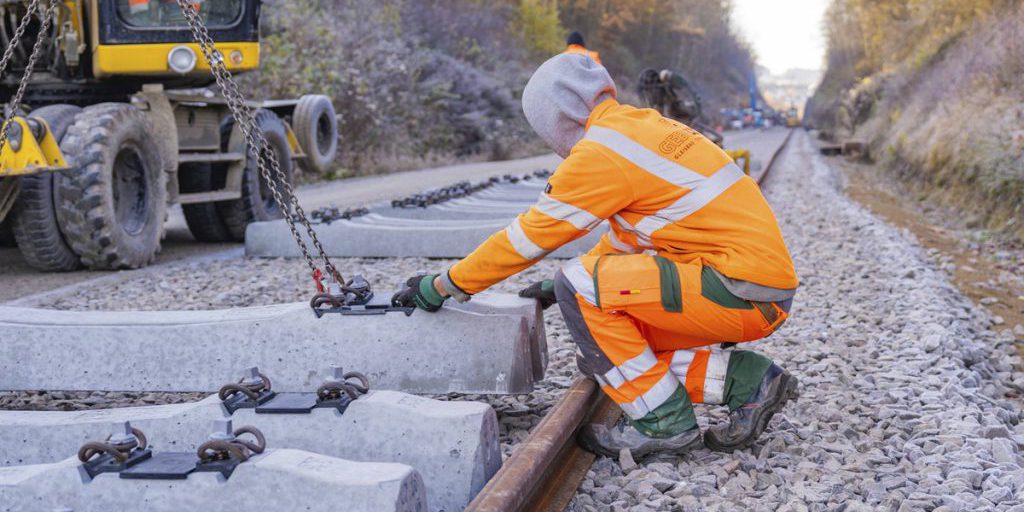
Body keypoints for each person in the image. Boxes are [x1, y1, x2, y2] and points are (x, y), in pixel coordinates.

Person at [392, 53, 799, 458]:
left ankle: (664, 422)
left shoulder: (600, 151)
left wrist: (444, 285)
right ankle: (746, 381)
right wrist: (557, 288)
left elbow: (528, 238)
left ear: (558, 118)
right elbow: (626, 243)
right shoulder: (640, 128)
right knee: (611, 348)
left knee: (582, 289)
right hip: (753, 289)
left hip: (735, 289)